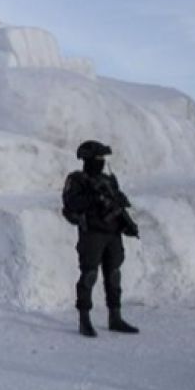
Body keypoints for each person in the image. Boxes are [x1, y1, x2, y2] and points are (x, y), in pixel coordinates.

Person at [62, 140, 141, 338]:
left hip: (112, 234)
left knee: (114, 275)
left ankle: (115, 317)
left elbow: (119, 205)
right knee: (89, 275)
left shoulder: (108, 180)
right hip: (92, 234)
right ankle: (84, 319)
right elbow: (70, 203)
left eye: (102, 159)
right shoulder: (77, 179)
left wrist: (128, 223)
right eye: (97, 159)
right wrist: (93, 198)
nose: (101, 162)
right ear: (87, 160)